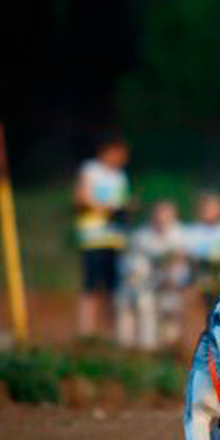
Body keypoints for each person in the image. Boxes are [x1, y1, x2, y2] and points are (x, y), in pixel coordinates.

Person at [74, 133, 131, 340]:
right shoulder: (90, 170)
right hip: (93, 237)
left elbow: (122, 202)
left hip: (115, 238)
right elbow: (80, 198)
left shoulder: (120, 176)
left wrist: (125, 208)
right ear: (107, 151)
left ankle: (112, 333)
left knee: (114, 288)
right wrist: (107, 208)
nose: (123, 158)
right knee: (90, 285)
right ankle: (86, 332)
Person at [116, 200, 190, 351]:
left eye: (166, 217)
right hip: (145, 282)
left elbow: (181, 265)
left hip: (170, 283)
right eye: (158, 217)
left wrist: (173, 280)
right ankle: (143, 347)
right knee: (143, 304)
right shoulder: (141, 236)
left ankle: (169, 345)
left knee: (170, 311)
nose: (161, 221)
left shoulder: (180, 235)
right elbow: (131, 264)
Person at [184, 190, 220, 310]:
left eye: (212, 208)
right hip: (200, 272)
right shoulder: (192, 230)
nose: (208, 212)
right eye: (205, 208)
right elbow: (189, 255)